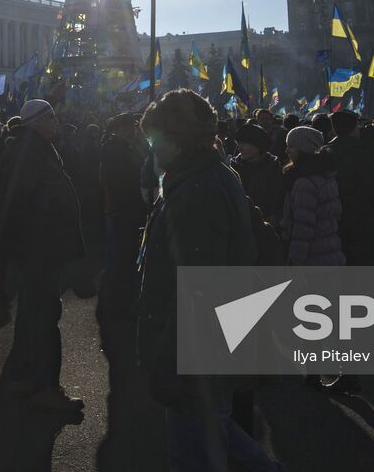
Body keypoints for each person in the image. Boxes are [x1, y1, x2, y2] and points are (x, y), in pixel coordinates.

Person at [136, 89, 275, 472]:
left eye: (156, 139)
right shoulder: (206, 176)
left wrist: (170, 362)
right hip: (209, 347)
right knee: (214, 432)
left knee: (196, 451)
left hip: (197, 353)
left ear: (179, 140)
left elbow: (195, 291)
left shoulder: (197, 191)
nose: (151, 148)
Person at [0, 99, 85, 415]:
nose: (56, 122)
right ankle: (44, 387)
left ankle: (23, 378)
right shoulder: (28, 153)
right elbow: (20, 205)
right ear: (37, 121)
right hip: (40, 249)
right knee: (44, 317)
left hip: (40, 249)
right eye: (52, 117)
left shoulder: (34, 149)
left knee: (33, 314)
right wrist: (43, 238)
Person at [99, 113, 149, 317]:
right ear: (119, 129)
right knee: (122, 254)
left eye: (134, 126)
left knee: (129, 253)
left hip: (132, 207)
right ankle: (120, 299)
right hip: (123, 208)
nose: (132, 131)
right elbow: (117, 180)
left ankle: (125, 294)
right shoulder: (112, 149)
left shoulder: (129, 146)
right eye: (129, 127)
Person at [279, 126, 344, 266]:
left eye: (291, 146)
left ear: (303, 149)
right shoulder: (326, 174)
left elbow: (302, 227)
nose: (287, 151)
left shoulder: (304, 183)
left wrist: (296, 260)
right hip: (330, 250)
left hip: (312, 257)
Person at [230, 123, 285, 225]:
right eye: (239, 144)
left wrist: (275, 216)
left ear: (258, 146)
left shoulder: (273, 168)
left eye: (243, 144)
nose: (239, 148)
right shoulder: (234, 168)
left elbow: (280, 198)